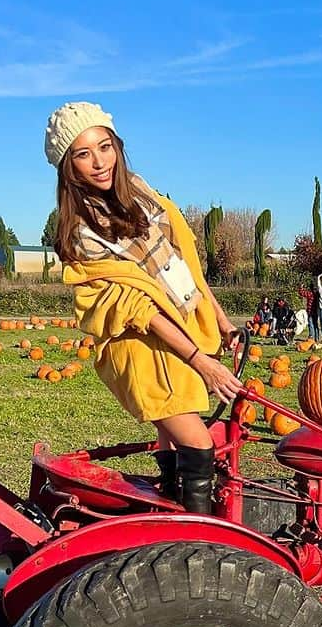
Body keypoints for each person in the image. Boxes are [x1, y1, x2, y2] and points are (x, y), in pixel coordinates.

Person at [46, 101, 242, 511]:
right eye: (83, 154)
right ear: (69, 167)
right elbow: (138, 308)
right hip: (140, 346)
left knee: (173, 436)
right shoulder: (81, 232)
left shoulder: (138, 190)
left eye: (104, 146)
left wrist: (220, 318)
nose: (99, 162)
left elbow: (182, 260)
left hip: (178, 331)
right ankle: (199, 540)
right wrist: (201, 361)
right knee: (198, 441)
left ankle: (173, 508)